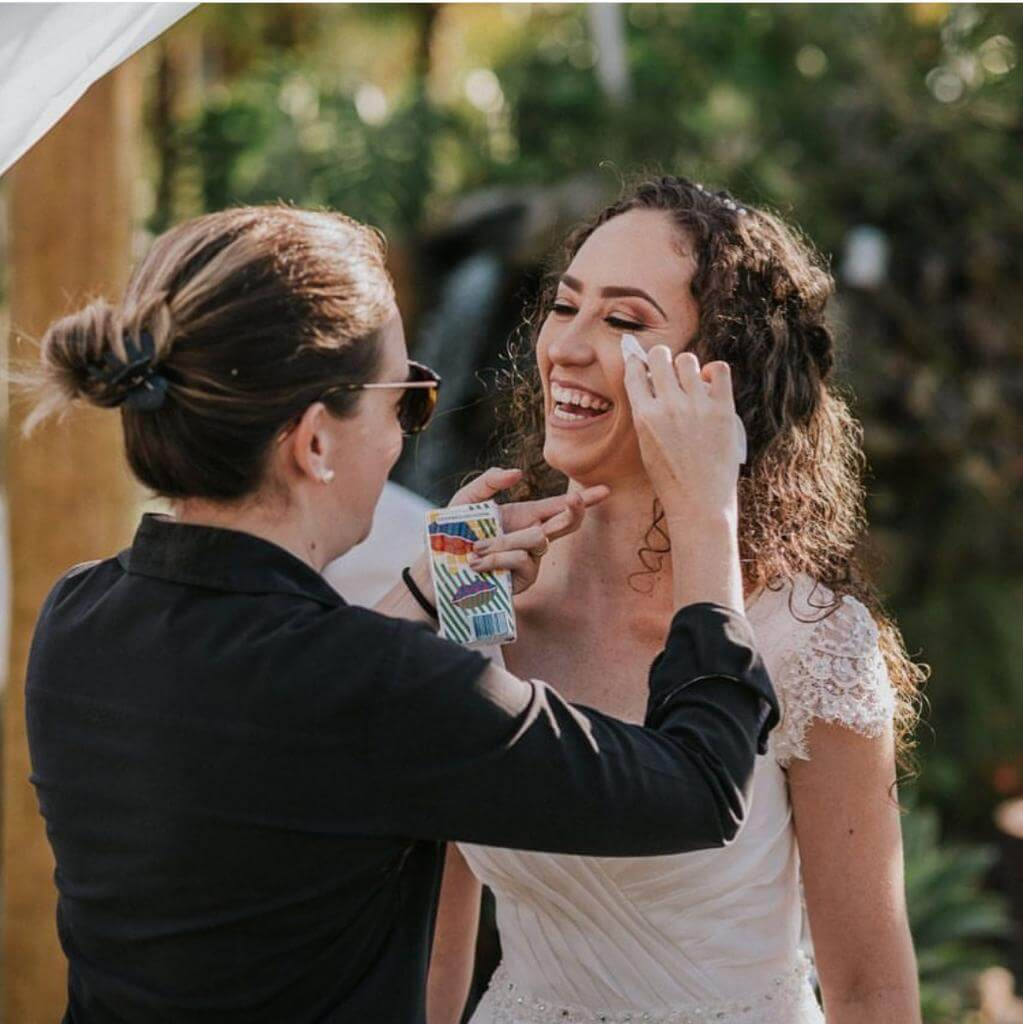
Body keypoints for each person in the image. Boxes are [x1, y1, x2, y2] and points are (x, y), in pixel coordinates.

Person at [22, 205, 778, 1024]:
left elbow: (279, 740)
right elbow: (697, 791)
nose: (403, 439)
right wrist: (705, 511)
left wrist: (426, 590)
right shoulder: (380, 688)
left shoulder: (78, 614)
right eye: (404, 401)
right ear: (314, 442)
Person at [428, 177, 925, 1024]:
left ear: (717, 380)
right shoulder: (479, 580)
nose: (567, 349)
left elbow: (871, 987)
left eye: (623, 321)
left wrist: (704, 503)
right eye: (564, 306)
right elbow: (434, 937)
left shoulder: (807, 641)